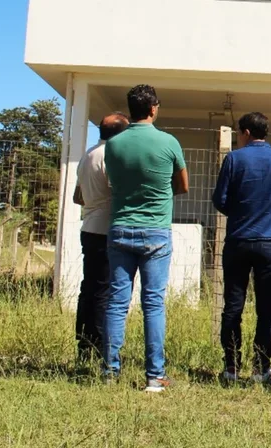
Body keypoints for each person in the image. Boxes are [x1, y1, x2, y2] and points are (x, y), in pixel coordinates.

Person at [102, 84, 189, 392]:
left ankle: (109, 371)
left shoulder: (113, 144)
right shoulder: (169, 142)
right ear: (153, 108)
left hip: (121, 226)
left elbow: (114, 181)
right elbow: (182, 185)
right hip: (156, 230)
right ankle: (154, 374)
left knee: (117, 302)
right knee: (153, 303)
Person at [213, 112, 271, 387]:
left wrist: (240, 212)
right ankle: (261, 367)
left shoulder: (234, 159)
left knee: (233, 305)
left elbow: (219, 199)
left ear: (247, 132)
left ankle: (231, 365)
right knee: (266, 308)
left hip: (238, 239)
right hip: (269, 241)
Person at [74, 112, 129, 364]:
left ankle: (83, 343)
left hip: (89, 226)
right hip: (106, 229)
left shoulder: (88, 155)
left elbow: (78, 197)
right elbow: (119, 192)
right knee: (104, 291)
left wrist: (94, 201)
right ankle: (98, 347)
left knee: (89, 288)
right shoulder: (111, 157)